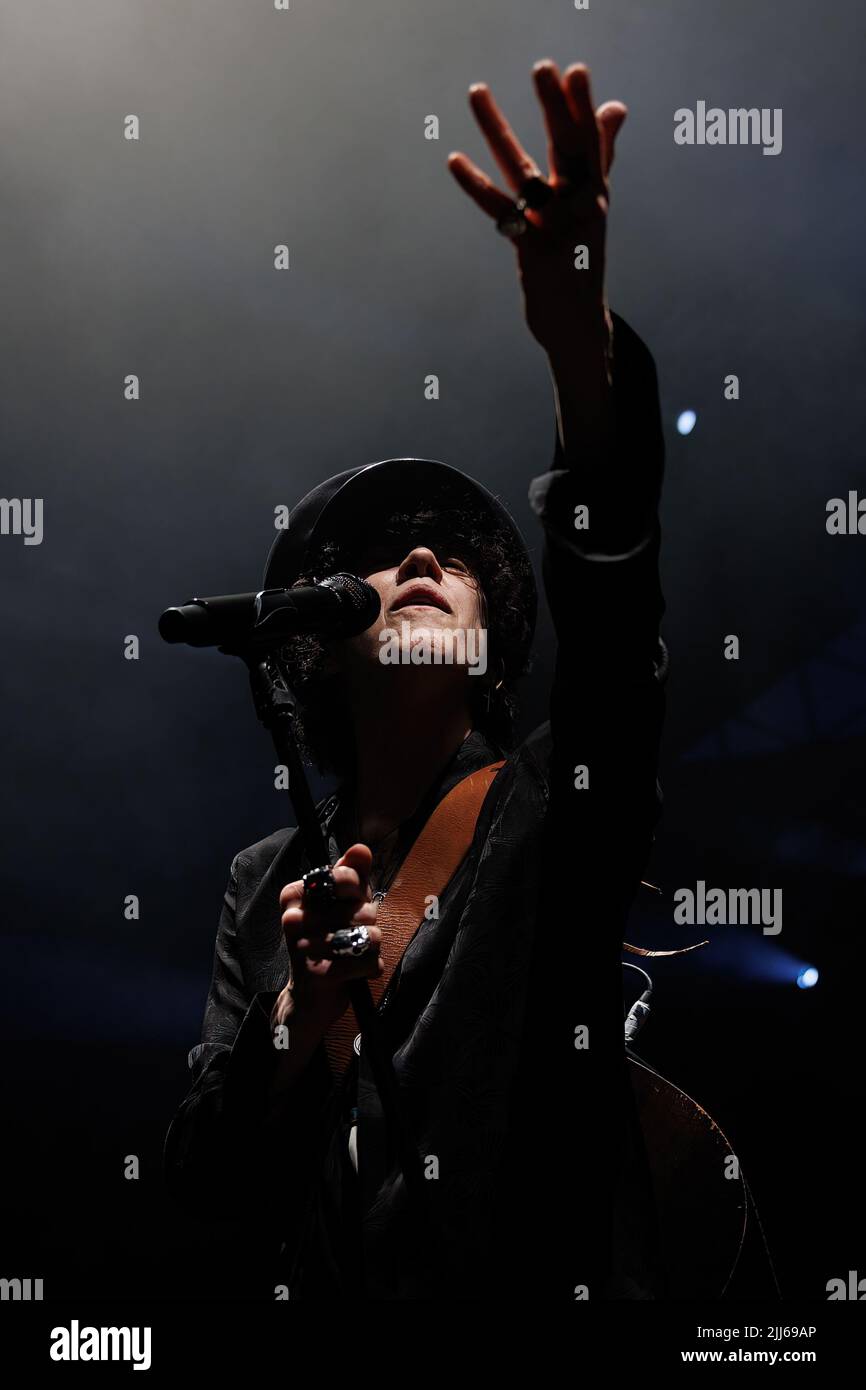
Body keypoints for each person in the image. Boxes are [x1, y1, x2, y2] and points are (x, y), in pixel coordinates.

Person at [164, 58, 667, 1300]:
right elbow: (195, 1191)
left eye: (454, 561)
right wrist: (301, 1034)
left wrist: (578, 360)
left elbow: (615, 632)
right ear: (318, 640)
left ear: (493, 642)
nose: (426, 558)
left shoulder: (551, 801)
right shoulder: (263, 880)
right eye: (384, 561)